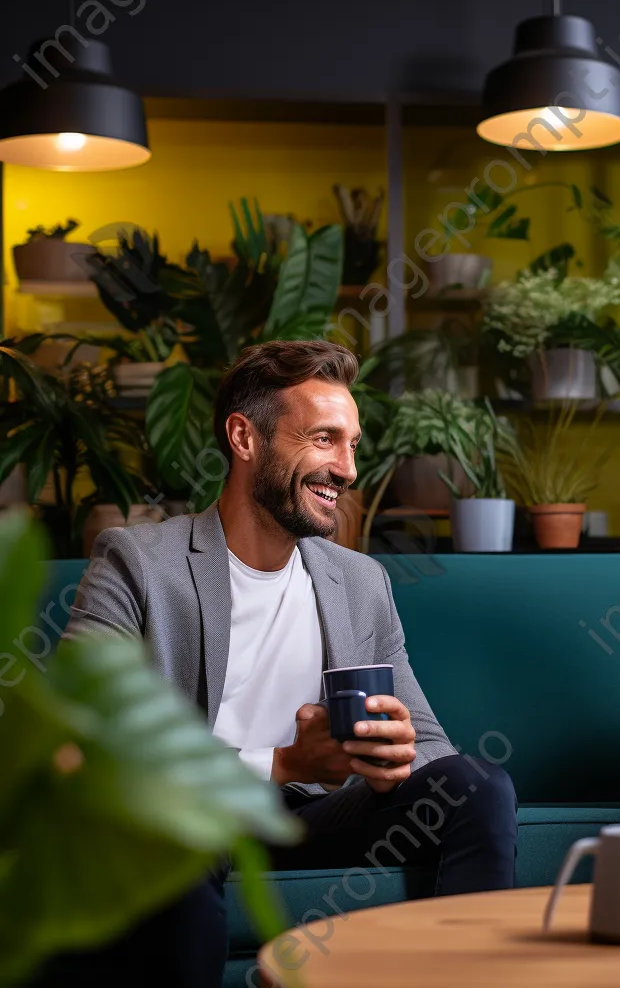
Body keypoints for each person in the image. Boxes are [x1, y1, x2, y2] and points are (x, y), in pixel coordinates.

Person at [59, 339, 518, 985]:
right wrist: (283, 763)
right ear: (245, 438)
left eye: (353, 444)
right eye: (325, 439)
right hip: (190, 814)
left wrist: (392, 758)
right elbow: (82, 741)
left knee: (474, 784)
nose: (348, 468)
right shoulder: (138, 563)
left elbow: (431, 745)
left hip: (314, 816)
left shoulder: (359, 582)